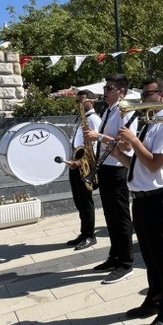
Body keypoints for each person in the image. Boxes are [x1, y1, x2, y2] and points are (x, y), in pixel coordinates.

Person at [110, 78, 163, 325]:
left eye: (147, 94)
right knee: (149, 255)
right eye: (142, 94)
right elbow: (139, 165)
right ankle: (153, 301)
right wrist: (117, 152)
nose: (142, 98)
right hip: (143, 197)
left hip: (161, 198)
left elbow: (155, 164)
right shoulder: (151, 124)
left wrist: (133, 140)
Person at [84, 74, 139, 284]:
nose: (105, 91)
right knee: (110, 216)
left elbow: (127, 145)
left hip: (118, 169)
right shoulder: (108, 110)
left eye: (110, 88)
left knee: (121, 217)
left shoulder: (126, 111)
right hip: (105, 167)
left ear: (121, 92)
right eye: (105, 87)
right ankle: (115, 256)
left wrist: (98, 137)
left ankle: (126, 263)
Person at [65, 90, 101, 251]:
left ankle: (89, 235)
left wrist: (82, 161)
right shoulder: (81, 119)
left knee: (85, 201)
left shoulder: (93, 119)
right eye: (77, 101)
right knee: (79, 200)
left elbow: (95, 143)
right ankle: (84, 232)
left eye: (82, 101)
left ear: (90, 102)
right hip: (76, 163)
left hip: (84, 164)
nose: (79, 104)